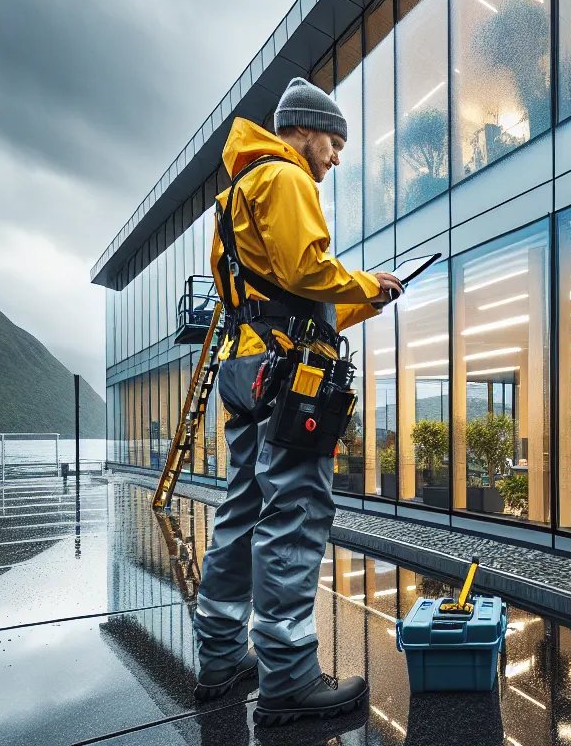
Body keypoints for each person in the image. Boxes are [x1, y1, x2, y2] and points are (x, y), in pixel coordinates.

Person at [191, 77, 404, 726]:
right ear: (304, 131)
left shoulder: (240, 190)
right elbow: (308, 273)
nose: (335, 159)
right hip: (286, 374)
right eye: (333, 143)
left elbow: (279, 288)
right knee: (296, 509)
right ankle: (288, 677)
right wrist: (365, 280)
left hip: (246, 363)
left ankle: (221, 656)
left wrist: (367, 295)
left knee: (243, 507)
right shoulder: (287, 180)